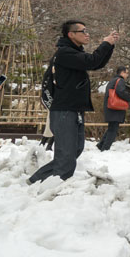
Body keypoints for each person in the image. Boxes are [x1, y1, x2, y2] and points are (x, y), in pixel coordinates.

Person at [28, 21, 119, 184]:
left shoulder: (73, 52)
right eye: (83, 31)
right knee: (66, 154)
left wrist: (109, 45)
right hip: (64, 110)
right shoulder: (64, 53)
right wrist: (105, 43)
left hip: (73, 109)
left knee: (75, 150)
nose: (87, 34)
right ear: (71, 34)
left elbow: (96, 63)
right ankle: (57, 186)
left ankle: (37, 181)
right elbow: (91, 61)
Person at [96, 66, 130, 151]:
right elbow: (120, 91)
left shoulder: (113, 80)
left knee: (111, 127)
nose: (127, 75)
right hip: (115, 108)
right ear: (122, 73)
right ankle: (105, 148)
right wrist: (129, 97)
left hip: (110, 107)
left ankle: (101, 144)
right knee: (113, 129)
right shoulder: (120, 80)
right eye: (126, 73)